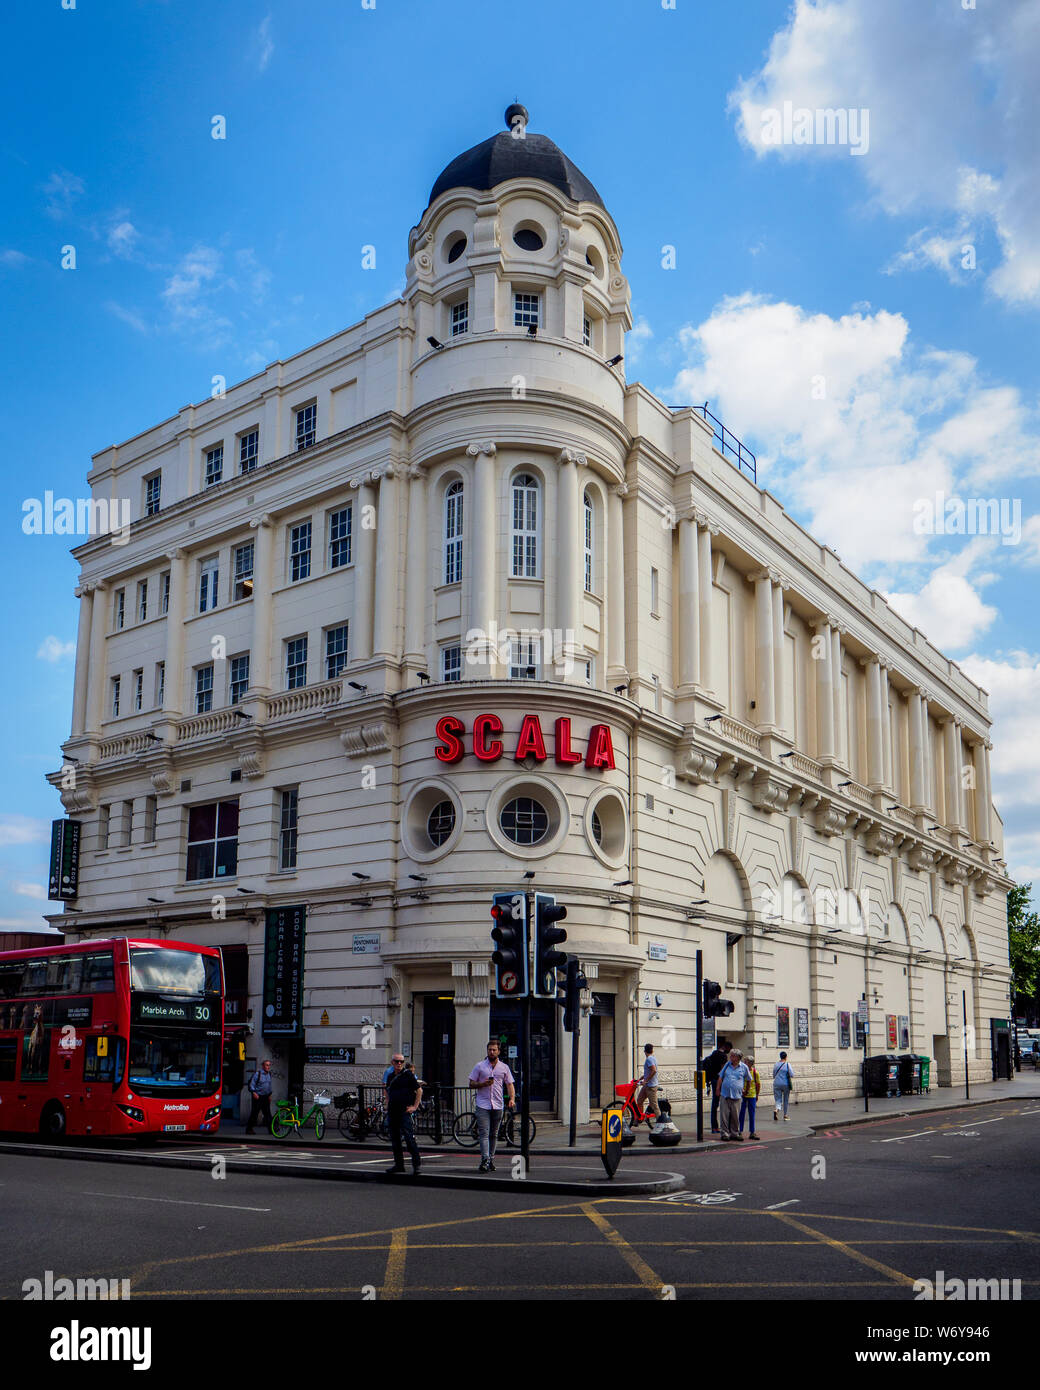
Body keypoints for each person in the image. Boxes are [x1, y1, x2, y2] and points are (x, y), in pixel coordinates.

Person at [468, 1038, 516, 1172]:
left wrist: (511, 1098)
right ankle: (485, 1160)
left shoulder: (504, 1067)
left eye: (494, 1050)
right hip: (482, 1104)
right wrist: (483, 1084)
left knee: (494, 1134)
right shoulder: (480, 1066)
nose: (492, 1052)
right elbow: (471, 1083)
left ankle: (491, 1159)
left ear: (499, 1052)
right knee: (484, 1133)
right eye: (490, 1050)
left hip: (498, 1105)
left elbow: (509, 1084)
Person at [385, 1053, 422, 1175]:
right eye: (396, 1061)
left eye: (401, 1061)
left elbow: (419, 1090)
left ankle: (416, 1165)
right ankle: (399, 1165)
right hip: (393, 1111)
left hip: (404, 1111)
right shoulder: (390, 1076)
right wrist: (388, 1103)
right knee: (395, 1139)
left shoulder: (408, 1075)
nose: (399, 1063)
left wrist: (415, 1107)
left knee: (409, 1138)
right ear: (392, 1063)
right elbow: (387, 1090)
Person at [718, 1049, 752, 1141]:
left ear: (737, 1058)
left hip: (737, 1096)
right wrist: (718, 1089)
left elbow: (749, 1079)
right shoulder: (727, 1065)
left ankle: (734, 1133)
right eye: (731, 1055)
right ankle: (724, 1133)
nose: (730, 1057)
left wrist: (747, 1090)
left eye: (732, 1056)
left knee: (735, 1116)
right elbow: (721, 1077)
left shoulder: (744, 1067)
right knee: (724, 1116)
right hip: (725, 1094)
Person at [700, 1038, 731, 1133]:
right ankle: (725, 1126)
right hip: (719, 1081)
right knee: (724, 1103)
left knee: (714, 1104)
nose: (729, 1051)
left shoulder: (713, 1054)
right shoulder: (723, 1056)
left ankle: (714, 1127)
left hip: (712, 1080)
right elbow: (723, 1071)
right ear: (726, 1047)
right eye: (729, 1049)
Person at [244, 1058, 273, 1134]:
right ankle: (249, 1129)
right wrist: (254, 1093)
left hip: (266, 1097)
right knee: (254, 1114)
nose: (268, 1067)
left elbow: (269, 1086)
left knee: (268, 1114)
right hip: (258, 1097)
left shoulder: (269, 1074)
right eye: (267, 1065)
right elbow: (251, 1084)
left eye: (269, 1065)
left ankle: (271, 1130)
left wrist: (270, 1095)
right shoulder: (258, 1074)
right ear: (263, 1066)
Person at [635, 1042, 660, 1123]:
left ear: (644, 1051)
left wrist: (646, 1080)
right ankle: (640, 1118)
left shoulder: (649, 1059)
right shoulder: (653, 1058)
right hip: (647, 1086)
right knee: (639, 1101)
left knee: (654, 1105)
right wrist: (640, 1079)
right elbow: (648, 1072)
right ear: (652, 1051)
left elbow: (653, 1070)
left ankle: (660, 1123)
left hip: (651, 1086)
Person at [739, 1055, 761, 1140]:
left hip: (752, 1095)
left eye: (746, 1062)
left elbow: (758, 1084)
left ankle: (752, 1132)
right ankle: (739, 1131)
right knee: (741, 1114)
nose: (744, 1063)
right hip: (743, 1095)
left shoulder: (755, 1072)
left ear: (750, 1064)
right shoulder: (742, 1071)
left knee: (752, 1114)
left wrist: (757, 1095)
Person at [773, 1051, 794, 1120]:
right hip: (785, 1084)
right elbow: (792, 1074)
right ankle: (785, 1115)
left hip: (777, 1083)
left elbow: (773, 1075)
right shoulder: (787, 1064)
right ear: (786, 1057)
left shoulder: (776, 1064)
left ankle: (776, 1110)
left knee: (778, 1099)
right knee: (786, 1099)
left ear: (780, 1056)